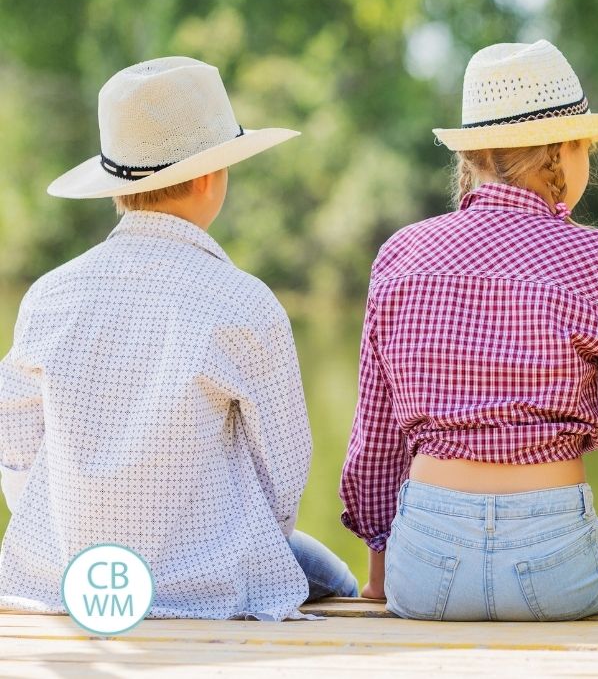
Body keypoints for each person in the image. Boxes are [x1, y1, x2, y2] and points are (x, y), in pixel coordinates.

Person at [339, 39, 598, 621]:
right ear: (570, 149)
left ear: (473, 156)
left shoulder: (400, 255)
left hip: (424, 571)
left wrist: (381, 579)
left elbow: (374, 438)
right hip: (555, 560)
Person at [0, 56, 357, 620]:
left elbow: (14, 444)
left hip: (66, 579)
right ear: (212, 178)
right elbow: (282, 478)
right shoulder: (245, 304)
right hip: (205, 588)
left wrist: (77, 526)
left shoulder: (50, 295)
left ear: (117, 186)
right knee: (336, 579)